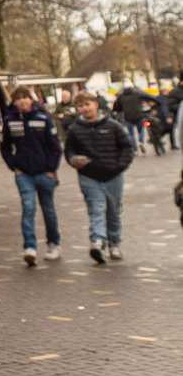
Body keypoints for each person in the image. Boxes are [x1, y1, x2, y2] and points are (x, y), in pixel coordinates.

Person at [64, 91, 135, 264]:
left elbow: (127, 147)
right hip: (89, 175)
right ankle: (97, 241)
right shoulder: (74, 130)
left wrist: (120, 166)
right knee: (96, 208)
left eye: (87, 104)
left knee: (113, 211)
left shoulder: (113, 125)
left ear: (95, 104)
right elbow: (69, 151)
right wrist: (74, 160)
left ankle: (114, 243)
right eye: (80, 106)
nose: (84, 108)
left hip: (113, 176)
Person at [0, 86, 63, 266]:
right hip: (24, 173)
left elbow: (55, 146)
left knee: (48, 210)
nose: (22, 101)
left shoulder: (43, 118)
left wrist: (51, 168)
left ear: (31, 99)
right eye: (18, 98)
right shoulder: (10, 120)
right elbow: (5, 146)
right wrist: (14, 165)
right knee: (28, 208)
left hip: (45, 173)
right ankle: (30, 247)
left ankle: (54, 243)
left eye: (25, 97)